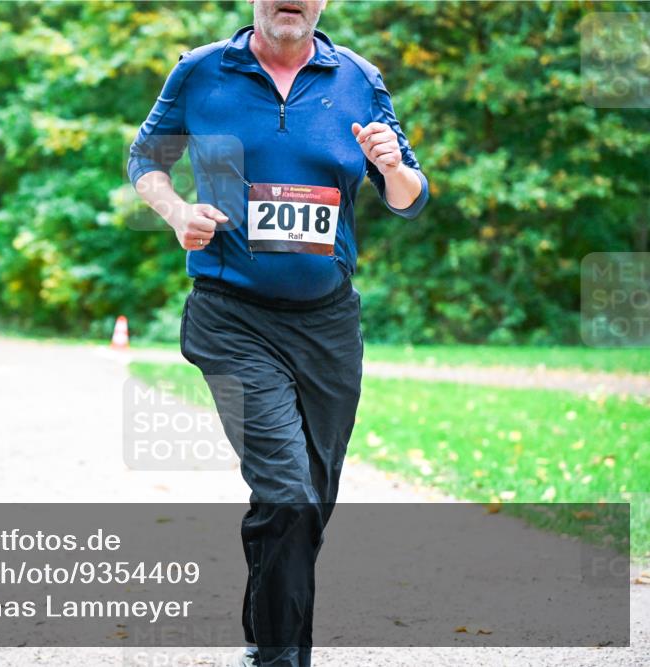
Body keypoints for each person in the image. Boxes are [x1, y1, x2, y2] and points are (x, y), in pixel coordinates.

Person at [128, 2, 428, 666]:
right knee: (287, 491)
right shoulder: (202, 72)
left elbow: (408, 196)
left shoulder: (358, 79)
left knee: (307, 501)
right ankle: (277, 657)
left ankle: (271, 640)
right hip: (231, 317)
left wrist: (393, 165)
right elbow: (144, 156)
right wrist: (176, 211)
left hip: (327, 325)